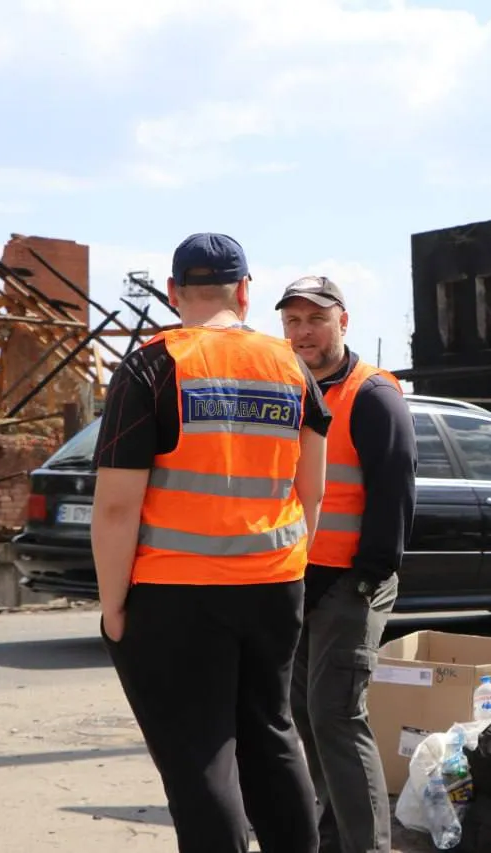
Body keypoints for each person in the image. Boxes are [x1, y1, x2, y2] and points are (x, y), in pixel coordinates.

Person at [91, 233, 330, 853]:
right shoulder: (291, 367)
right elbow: (312, 493)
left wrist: (114, 606)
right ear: (246, 293)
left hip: (176, 594)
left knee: (202, 760)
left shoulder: (151, 366)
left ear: (174, 294)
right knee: (272, 738)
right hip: (275, 586)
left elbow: (117, 507)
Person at [276, 275, 416, 853]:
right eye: (293, 321)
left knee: (335, 715)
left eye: (315, 319)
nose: (303, 332)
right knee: (303, 716)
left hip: (351, 582)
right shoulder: (288, 387)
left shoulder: (371, 393)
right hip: (298, 579)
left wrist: (369, 573)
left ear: (343, 322)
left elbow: (395, 489)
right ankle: (331, 839)